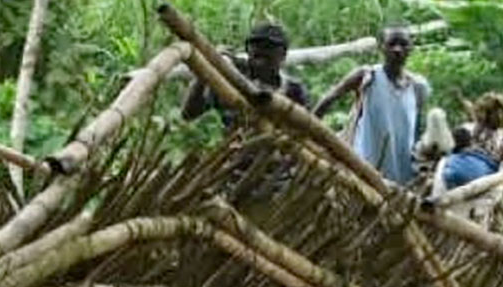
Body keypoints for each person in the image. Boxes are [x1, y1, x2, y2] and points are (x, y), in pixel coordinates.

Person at [315, 25, 432, 188]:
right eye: (391, 44)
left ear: (411, 47)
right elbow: (329, 98)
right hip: (364, 171)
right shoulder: (368, 77)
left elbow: (417, 130)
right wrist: (310, 132)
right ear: (381, 47)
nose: (397, 49)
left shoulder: (418, 87)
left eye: (403, 44)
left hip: (402, 178)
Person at [181, 20, 309, 129]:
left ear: (283, 55)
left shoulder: (294, 90)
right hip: (231, 152)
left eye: (269, 47)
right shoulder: (229, 81)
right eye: (256, 46)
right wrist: (206, 69)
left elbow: (308, 129)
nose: (262, 50)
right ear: (248, 50)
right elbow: (189, 113)